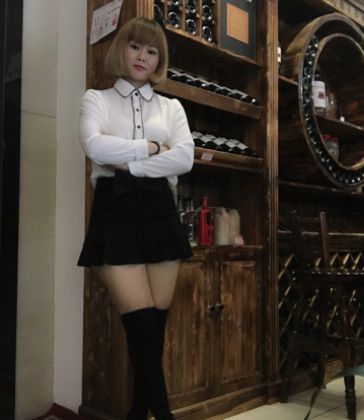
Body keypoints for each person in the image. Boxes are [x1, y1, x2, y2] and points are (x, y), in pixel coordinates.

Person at [77, 16, 194, 420]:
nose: (143, 56)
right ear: (121, 50)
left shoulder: (172, 107)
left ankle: (137, 414)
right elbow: (94, 146)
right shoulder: (96, 99)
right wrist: (151, 147)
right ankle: (164, 415)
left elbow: (185, 157)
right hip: (115, 210)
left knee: (154, 330)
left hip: (160, 210)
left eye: (152, 50)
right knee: (141, 327)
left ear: (159, 59)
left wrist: (130, 164)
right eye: (135, 47)